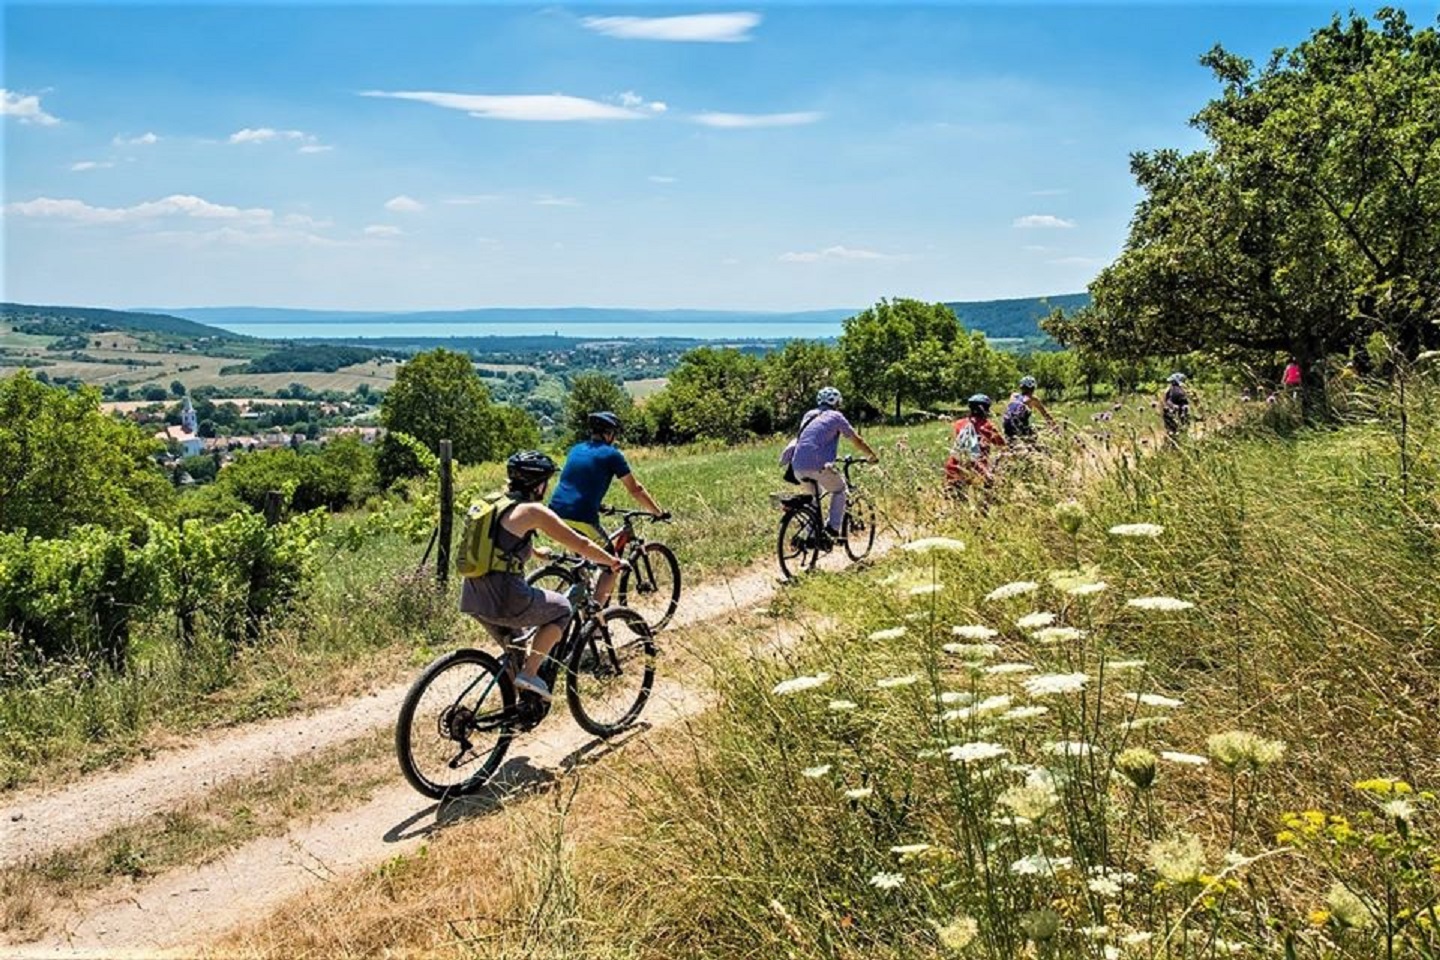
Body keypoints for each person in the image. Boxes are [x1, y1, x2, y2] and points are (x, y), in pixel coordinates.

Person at [460, 451, 623, 701]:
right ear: (539, 484)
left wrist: (535, 552)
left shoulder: (495, 503)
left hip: (473, 596)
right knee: (563, 608)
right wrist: (611, 561)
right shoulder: (533, 511)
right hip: (506, 597)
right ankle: (530, 673)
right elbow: (580, 543)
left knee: (516, 650)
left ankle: (515, 711)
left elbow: (497, 544)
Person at [549, 411, 665, 606]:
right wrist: (657, 511)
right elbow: (635, 489)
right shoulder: (612, 454)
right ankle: (595, 623)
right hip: (581, 516)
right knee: (611, 564)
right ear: (609, 433)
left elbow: (578, 481)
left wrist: (598, 504)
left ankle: (580, 605)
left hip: (554, 513)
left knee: (584, 559)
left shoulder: (576, 449)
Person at [782, 387, 878, 541]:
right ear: (837, 402)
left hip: (797, 466)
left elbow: (810, 440)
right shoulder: (836, 416)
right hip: (819, 466)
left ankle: (810, 537)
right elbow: (856, 440)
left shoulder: (809, 415)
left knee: (813, 497)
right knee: (840, 489)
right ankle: (833, 528)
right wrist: (871, 456)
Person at [944, 394, 1006, 493]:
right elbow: (1003, 447)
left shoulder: (959, 424)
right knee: (989, 495)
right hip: (977, 468)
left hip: (955, 465)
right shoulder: (987, 426)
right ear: (986, 409)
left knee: (956, 500)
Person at [1002, 375, 1056, 442]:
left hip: (1007, 425)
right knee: (1034, 439)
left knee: (1012, 445)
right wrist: (1055, 427)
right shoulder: (1033, 399)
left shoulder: (1013, 396)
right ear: (1033, 388)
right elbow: (1046, 415)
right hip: (1021, 427)